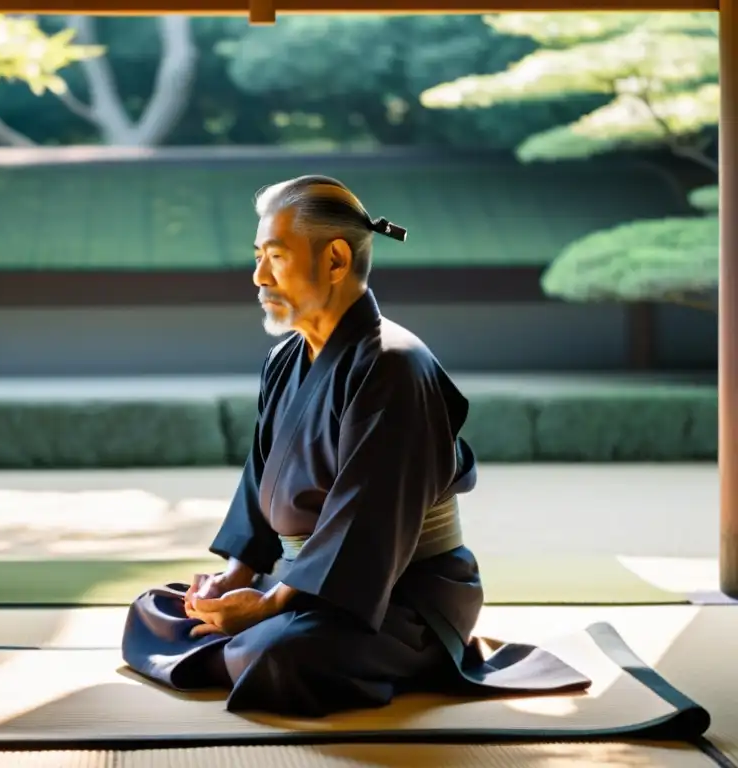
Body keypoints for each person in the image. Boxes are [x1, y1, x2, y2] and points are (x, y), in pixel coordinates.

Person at [121, 175, 589, 717]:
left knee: (287, 655)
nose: (258, 276)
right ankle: (251, 639)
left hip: (399, 595)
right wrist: (237, 575)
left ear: (336, 260)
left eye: (275, 256)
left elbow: (368, 522)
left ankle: (284, 643)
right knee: (154, 609)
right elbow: (259, 481)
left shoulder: (394, 365)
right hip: (307, 586)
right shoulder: (285, 360)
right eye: (257, 256)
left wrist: (270, 605)